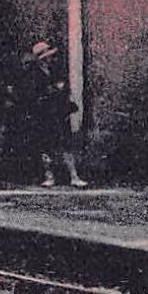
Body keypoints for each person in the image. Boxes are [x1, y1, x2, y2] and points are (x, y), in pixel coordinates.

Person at [21, 40, 88, 188]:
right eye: (47, 57)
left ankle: (74, 176)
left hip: (59, 112)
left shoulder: (56, 71)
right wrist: (50, 92)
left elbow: (64, 89)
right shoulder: (34, 75)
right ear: (41, 60)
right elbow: (32, 95)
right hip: (44, 114)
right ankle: (49, 176)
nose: (51, 59)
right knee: (46, 147)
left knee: (65, 146)